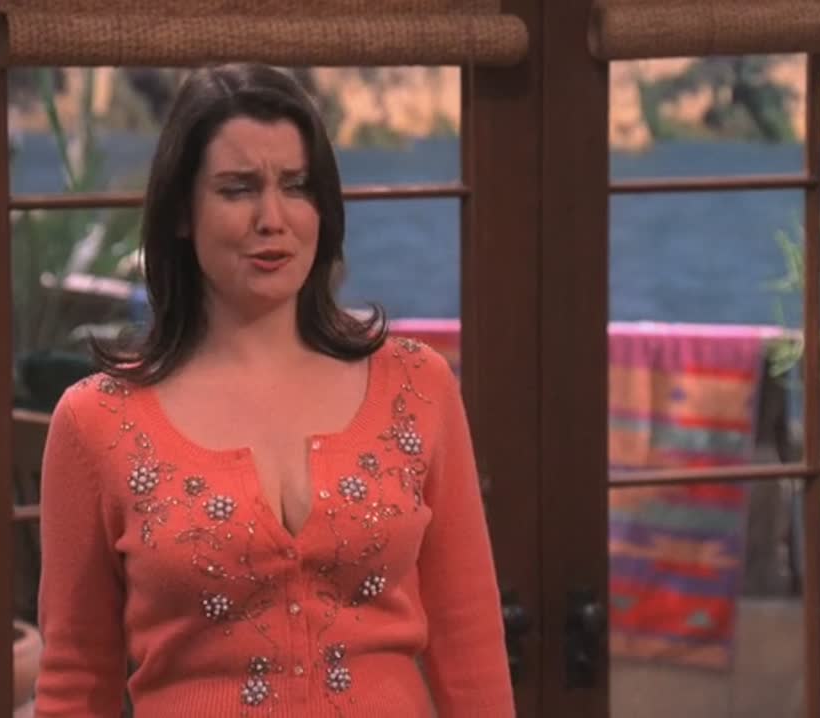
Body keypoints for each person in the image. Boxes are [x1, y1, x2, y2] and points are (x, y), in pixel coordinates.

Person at [34, 62, 513, 717]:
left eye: (296, 186)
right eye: (238, 189)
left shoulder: (417, 385)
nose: (273, 218)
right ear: (182, 212)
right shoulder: (97, 421)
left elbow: (471, 646)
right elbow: (74, 678)